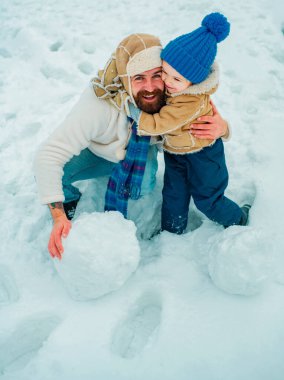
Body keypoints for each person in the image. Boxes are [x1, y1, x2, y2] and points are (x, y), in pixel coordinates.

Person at [34, 33, 230, 260]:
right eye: (138, 78)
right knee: (56, 173)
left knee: (143, 185)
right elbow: (47, 155)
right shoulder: (99, 104)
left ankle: (131, 176)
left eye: (157, 75)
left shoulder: (172, 90)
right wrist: (58, 216)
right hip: (98, 153)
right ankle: (69, 200)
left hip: (138, 155)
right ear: (125, 79)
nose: (149, 87)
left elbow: (200, 106)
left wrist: (223, 127)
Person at [128, 13, 251, 234]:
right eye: (164, 72)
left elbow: (160, 123)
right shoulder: (174, 86)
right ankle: (172, 231)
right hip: (176, 154)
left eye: (176, 79)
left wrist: (135, 114)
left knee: (208, 200)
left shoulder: (189, 102)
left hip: (203, 156)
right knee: (174, 195)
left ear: (194, 82)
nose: (166, 82)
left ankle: (238, 219)